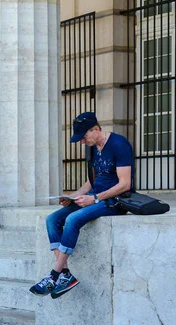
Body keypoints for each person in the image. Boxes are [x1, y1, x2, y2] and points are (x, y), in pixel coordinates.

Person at [30, 112, 133, 299]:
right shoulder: (93, 147)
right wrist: (74, 196)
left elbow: (125, 184)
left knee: (73, 219)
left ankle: (54, 274)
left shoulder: (119, 144)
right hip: (95, 197)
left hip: (114, 201)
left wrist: (94, 199)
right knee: (52, 219)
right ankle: (66, 275)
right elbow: (91, 181)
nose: (82, 142)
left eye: (84, 137)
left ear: (96, 129)